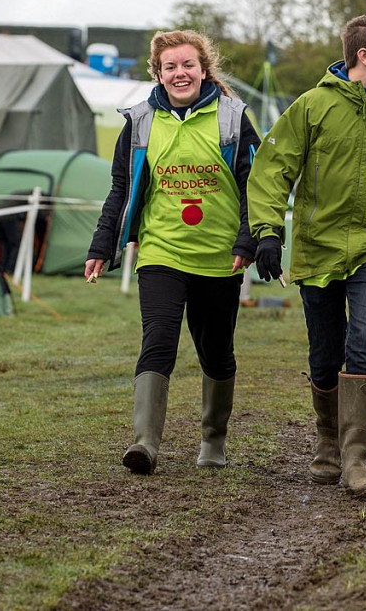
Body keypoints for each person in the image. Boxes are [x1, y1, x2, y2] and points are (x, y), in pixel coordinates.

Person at [247, 14, 366, 499]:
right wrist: (268, 231)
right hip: (318, 249)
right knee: (324, 353)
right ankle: (327, 443)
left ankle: (356, 457)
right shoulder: (312, 107)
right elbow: (272, 171)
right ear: (364, 56)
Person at [85, 30, 260, 475]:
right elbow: (123, 187)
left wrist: (249, 239)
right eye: (170, 67)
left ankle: (213, 440)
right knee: (158, 340)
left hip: (220, 257)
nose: (179, 73)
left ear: (204, 70)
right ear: (157, 73)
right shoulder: (141, 121)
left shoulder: (233, 118)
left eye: (187, 65)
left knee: (216, 351)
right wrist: (103, 243)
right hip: (160, 251)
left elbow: (255, 186)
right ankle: (145, 443)